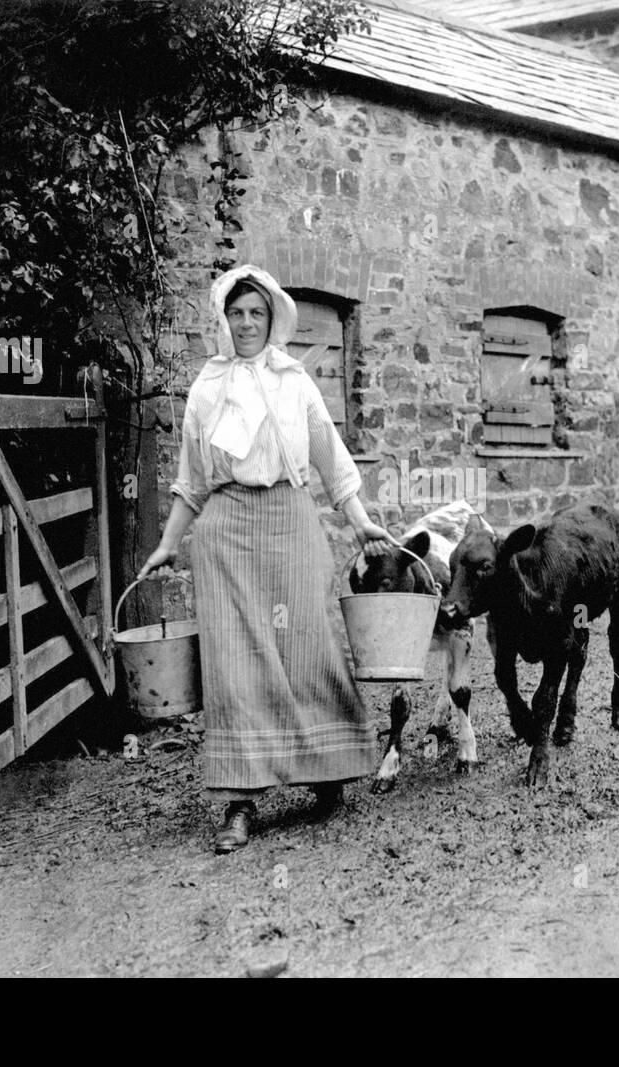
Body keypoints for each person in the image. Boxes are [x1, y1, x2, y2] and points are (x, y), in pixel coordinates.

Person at [138, 264, 395, 854]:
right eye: (237, 313)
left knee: (308, 640)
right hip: (225, 533)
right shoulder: (206, 388)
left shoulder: (293, 380)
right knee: (233, 659)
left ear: (273, 317)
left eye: (257, 313)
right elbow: (191, 483)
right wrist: (168, 544)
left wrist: (359, 523)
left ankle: (326, 771)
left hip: (291, 519)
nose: (247, 323)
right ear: (223, 320)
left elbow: (332, 462)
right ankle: (239, 802)